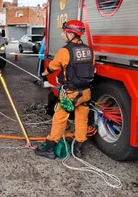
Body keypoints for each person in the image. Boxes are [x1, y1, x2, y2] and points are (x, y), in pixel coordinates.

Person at [35, 20, 95, 159]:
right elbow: (92, 68)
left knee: (60, 118)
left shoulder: (65, 51)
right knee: (82, 119)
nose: (62, 34)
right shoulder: (89, 50)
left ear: (71, 33)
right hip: (86, 92)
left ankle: (50, 147)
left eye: (64, 32)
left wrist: (43, 75)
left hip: (70, 94)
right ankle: (79, 148)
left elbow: (53, 67)